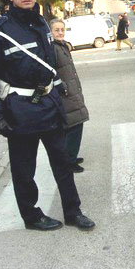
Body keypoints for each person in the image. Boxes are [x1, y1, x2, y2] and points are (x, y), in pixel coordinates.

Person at [0, 0, 95, 231]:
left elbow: (49, 64)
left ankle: (73, 212)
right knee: (24, 170)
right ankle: (32, 216)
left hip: (49, 105)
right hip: (20, 111)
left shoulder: (41, 23)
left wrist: (60, 87)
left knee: (64, 163)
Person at [50, 19, 89, 173]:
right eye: (56, 30)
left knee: (72, 126)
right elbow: (49, 71)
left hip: (71, 92)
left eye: (62, 29)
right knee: (74, 126)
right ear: (50, 32)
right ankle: (69, 162)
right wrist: (62, 87)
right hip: (64, 94)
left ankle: (70, 156)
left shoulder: (62, 46)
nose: (60, 32)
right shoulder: (52, 48)